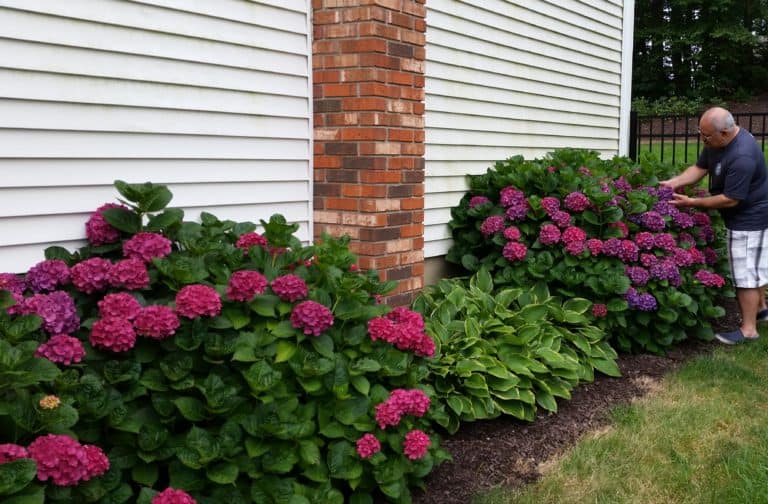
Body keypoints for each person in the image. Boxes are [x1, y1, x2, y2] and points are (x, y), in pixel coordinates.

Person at [661, 106, 768, 344]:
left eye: (706, 135)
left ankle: (748, 330)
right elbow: (700, 168)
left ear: (725, 133)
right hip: (746, 216)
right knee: (754, 267)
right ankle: (760, 309)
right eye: (701, 132)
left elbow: (730, 199)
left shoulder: (742, 156)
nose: (703, 139)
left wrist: (693, 202)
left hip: (749, 219)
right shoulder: (716, 143)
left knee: (745, 275)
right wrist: (672, 183)